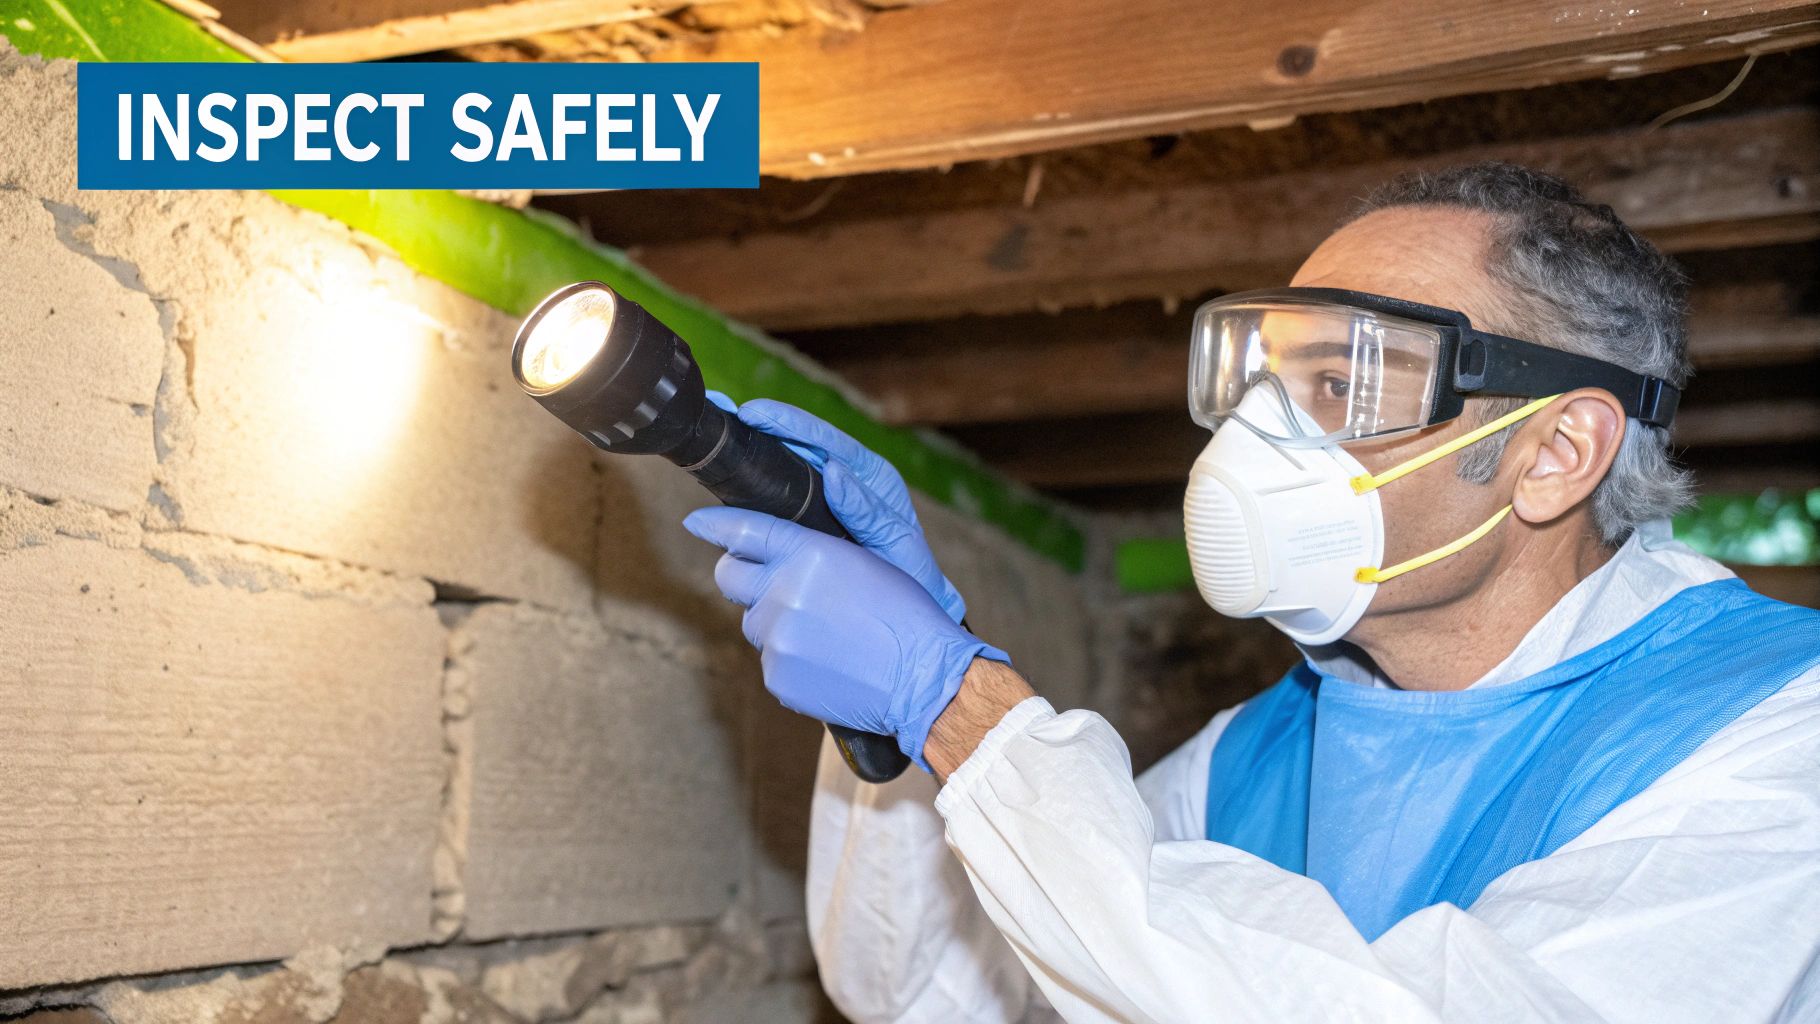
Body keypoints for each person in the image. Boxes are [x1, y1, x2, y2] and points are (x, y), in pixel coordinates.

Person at [682, 162, 1820, 1022]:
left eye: (1343, 380)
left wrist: (956, 702)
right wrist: (896, 706)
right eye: (1266, 380)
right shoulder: (1264, 750)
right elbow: (930, 989)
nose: (1259, 438)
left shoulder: (1771, 725)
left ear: (1557, 452)